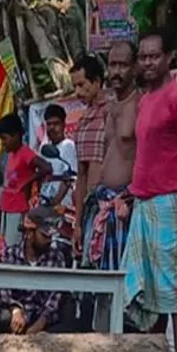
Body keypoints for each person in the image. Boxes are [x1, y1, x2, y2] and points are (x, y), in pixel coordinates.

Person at [122, 29, 177, 352]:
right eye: (143, 57)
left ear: (169, 58)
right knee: (148, 286)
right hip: (142, 202)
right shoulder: (146, 100)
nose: (148, 62)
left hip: (169, 201)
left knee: (172, 286)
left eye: (154, 56)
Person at [81, 41, 140, 332]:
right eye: (112, 65)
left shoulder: (142, 105)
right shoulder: (110, 108)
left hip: (126, 207)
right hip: (103, 204)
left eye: (122, 65)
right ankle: (104, 344)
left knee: (126, 283)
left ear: (135, 67)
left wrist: (131, 196)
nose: (116, 71)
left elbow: (146, 156)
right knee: (100, 286)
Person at [0, 207, 72, 335]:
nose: (49, 240)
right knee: (3, 318)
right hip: (17, 312)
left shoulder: (56, 257)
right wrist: (15, 310)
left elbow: (56, 297)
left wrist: (40, 324)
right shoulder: (9, 254)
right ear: (29, 234)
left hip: (43, 316)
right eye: (44, 236)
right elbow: (3, 291)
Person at [0, 114, 52, 246]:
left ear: (16, 135)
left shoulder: (25, 152)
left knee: (13, 245)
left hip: (19, 208)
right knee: (4, 245)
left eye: (4, 138)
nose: (2, 143)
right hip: (7, 206)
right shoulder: (10, 155)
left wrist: (30, 180)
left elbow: (46, 167)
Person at [71, 55, 109, 250]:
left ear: (96, 82)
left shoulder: (115, 113)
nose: (77, 92)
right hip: (90, 210)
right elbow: (81, 176)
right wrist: (77, 224)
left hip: (114, 207)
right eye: (74, 86)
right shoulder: (82, 123)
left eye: (81, 84)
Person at [39, 105, 77, 209]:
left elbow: (68, 178)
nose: (52, 128)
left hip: (61, 203)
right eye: (49, 124)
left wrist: (56, 201)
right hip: (45, 199)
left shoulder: (68, 145)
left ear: (64, 125)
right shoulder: (45, 148)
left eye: (56, 124)